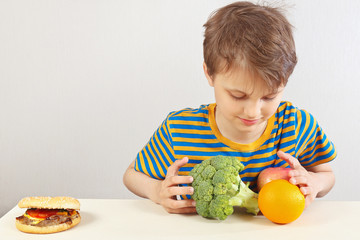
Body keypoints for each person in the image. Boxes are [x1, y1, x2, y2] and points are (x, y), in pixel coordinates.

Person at [123, 1, 336, 214]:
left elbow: (327, 176)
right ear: (209, 73)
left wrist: (314, 183)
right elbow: (131, 175)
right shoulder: (180, 129)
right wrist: (156, 190)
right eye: (238, 96)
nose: (253, 111)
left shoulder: (296, 125)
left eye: (269, 96)